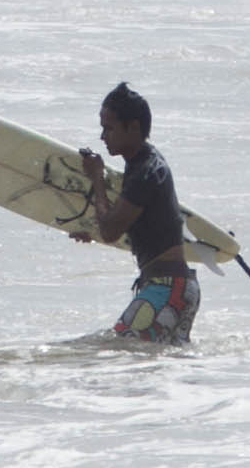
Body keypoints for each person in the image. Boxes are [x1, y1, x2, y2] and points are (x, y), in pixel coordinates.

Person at [72, 81, 198, 343]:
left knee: (110, 350)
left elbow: (110, 230)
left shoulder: (146, 173)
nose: (102, 136)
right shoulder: (142, 166)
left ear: (134, 127)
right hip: (177, 289)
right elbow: (144, 230)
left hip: (166, 289)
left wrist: (97, 176)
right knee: (150, 371)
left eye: (109, 128)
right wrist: (92, 232)